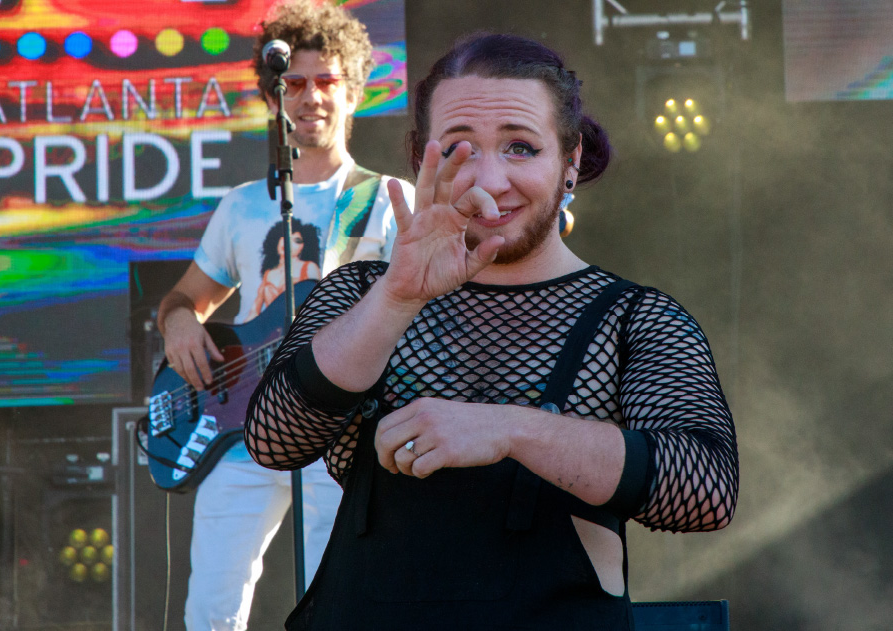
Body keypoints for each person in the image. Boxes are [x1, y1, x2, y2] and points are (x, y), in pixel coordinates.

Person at [245, 33, 739, 630]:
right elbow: (274, 440)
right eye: (459, 149)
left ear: (571, 159)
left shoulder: (634, 317)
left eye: (521, 148)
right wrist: (398, 297)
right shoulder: (359, 293)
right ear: (419, 155)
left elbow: (706, 489)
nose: (490, 179)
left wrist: (508, 429)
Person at [154, 1, 414, 629]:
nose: (309, 97)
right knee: (211, 610)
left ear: (352, 94)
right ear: (275, 98)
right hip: (241, 435)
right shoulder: (242, 205)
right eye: (293, 84)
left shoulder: (387, 201)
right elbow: (185, 297)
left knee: (339, 603)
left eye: (325, 82)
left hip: (340, 431)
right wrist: (179, 321)